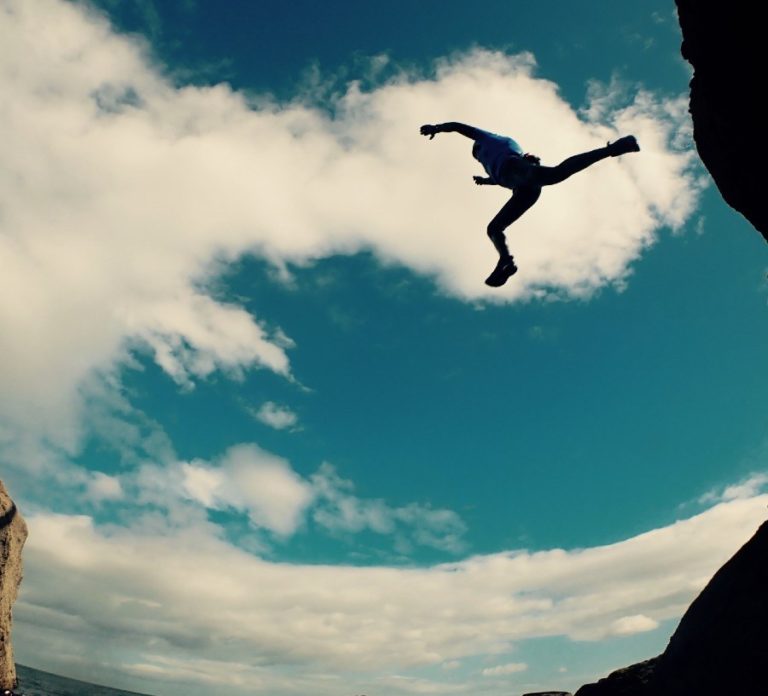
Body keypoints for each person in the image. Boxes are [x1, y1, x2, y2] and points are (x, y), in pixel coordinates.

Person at [419, 122, 640, 287]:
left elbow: (460, 127)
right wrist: (486, 181)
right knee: (494, 228)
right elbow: (499, 179)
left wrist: (437, 128)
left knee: (556, 173)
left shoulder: (491, 141)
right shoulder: (491, 166)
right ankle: (505, 260)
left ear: (478, 147)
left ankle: (614, 148)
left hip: (517, 170)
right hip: (524, 189)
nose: (478, 158)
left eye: (477, 155)